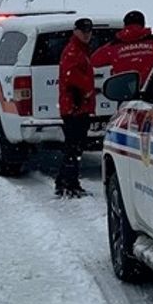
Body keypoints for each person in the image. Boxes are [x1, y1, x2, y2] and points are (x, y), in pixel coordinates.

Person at [57, 17, 96, 198]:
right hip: (75, 107)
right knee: (74, 147)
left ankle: (65, 181)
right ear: (76, 31)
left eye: (89, 31)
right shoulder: (73, 51)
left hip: (78, 107)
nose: (87, 34)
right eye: (83, 31)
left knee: (74, 146)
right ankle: (69, 183)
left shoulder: (80, 50)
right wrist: (87, 89)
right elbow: (71, 76)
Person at [90, 10, 153, 83]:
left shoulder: (113, 48)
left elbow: (94, 60)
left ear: (125, 25)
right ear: (143, 24)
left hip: (124, 90)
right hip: (152, 89)